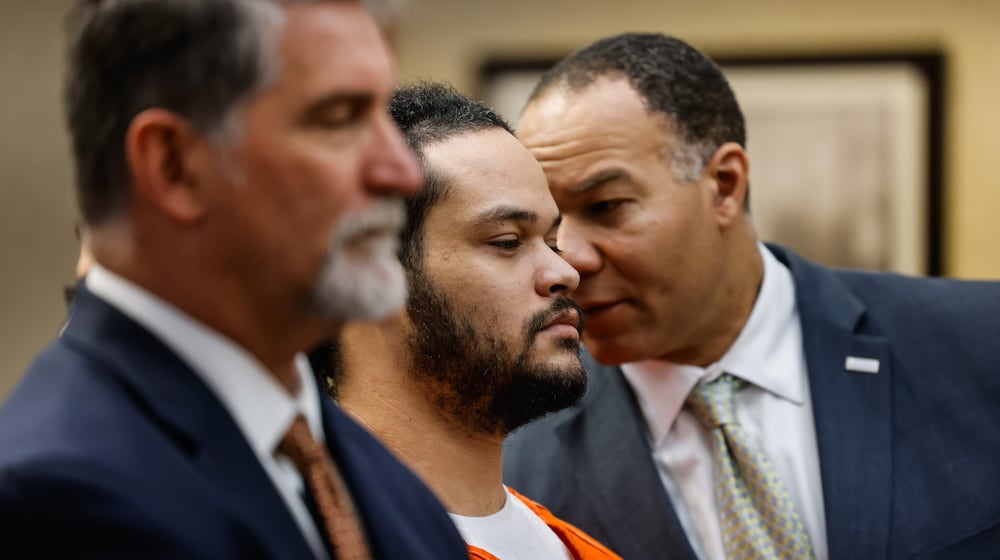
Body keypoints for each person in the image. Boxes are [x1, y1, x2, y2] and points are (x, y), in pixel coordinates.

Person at [503, 32, 1000, 560]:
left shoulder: (978, 343)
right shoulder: (514, 451)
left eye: (606, 206)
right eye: (551, 225)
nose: (568, 261)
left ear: (723, 183)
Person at [0, 1, 468, 558]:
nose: (403, 172)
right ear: (174, 165)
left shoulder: (378, 480)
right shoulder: (56, 502)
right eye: (340, 118)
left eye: (384, 121)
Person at [323, 82, 621, 560]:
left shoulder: (580, 549)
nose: (565, 272)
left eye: (551, 240)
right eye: (507, 241)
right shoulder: (292, 536)